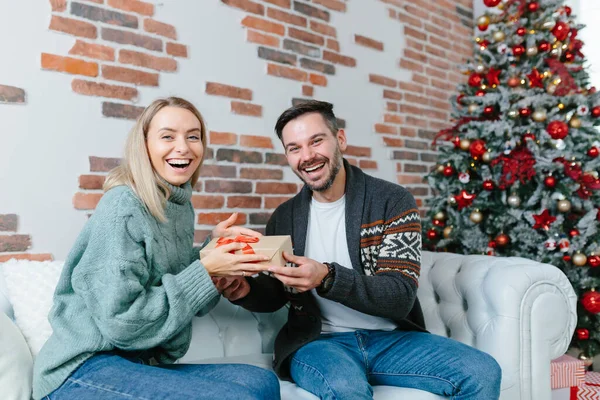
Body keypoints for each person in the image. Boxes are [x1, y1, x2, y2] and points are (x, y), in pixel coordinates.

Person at [215, 100, 502, 399]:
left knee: (482, 372)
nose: (307, 156)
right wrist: (244, 291)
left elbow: (399, 296)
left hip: (392, 340)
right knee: (345, 389)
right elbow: (275, 294)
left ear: (340, 139)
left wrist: (326, 277)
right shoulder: (284, 217)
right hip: (319, 342)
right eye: (294, 148)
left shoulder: (392, 201)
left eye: (316, 141)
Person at [33, 97, 280, 400]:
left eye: (193, 136)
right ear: (144, 145)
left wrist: (211, 252)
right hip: (83, 369)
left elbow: (185, 300)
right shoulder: (123, 206)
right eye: (167, 136)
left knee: (261, 382)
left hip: (138, 363)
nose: (184, 147)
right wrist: (205, 269)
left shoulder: (178, 207)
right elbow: (122, 323)